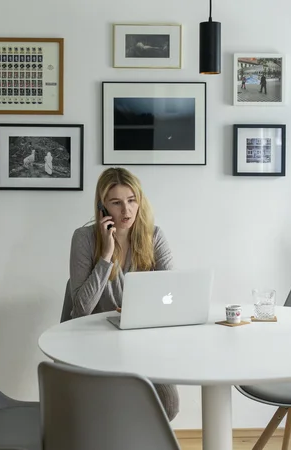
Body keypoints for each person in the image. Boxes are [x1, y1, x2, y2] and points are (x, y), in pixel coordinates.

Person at [67, 167, 179, 421]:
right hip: (95, 340)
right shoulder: (84, 239)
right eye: (116, 203)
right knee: (106, 406)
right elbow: (82, 308)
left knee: (168, 404)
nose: (126, 211)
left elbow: (174, 291)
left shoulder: (154, 237)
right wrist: (106, 255)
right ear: (102, 207)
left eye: (131, 201)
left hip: (141, 340)